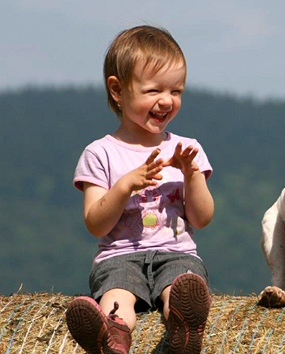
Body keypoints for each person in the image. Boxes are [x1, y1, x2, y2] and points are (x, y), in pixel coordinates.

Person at [65, 25, 214, 354]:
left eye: (176, 91)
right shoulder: (100, 153)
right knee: (117, 292)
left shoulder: (188, 149)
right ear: (118, 90)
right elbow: (95, 223)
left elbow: (202, 218)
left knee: (181, 286)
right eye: (153, 90)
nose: (166, 100)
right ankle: (113, 336)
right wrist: (124, 185)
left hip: (177, 254)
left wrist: (192, 175)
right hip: (119, 257)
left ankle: (184, 328)